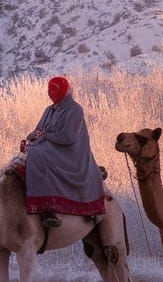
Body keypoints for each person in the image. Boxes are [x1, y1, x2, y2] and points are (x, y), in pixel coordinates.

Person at [21, 77, 105, 228]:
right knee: (25, 154)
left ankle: (48, 206)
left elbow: (69, 137)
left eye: (55, 89)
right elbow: (39, 129)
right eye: (50, 89)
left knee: (37, 155)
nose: (51, 93)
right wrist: (33, 136)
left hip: (70, 153)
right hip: (50, 146)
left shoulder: (75, 110)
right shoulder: (49, 110)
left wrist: (45, 135)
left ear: (63, 90)